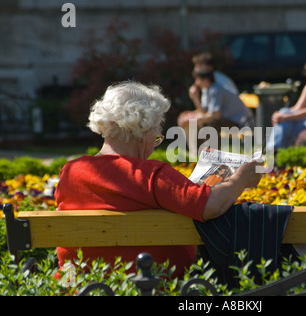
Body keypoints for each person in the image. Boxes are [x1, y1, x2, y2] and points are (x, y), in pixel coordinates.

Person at [54, 81, 263, 278]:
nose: (154, 145)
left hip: (84, 286)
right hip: (151, 285)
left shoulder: (70, 172)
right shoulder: (151, 175)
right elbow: (210, 205)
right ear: (142, 130)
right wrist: (242, 178)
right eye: (155, 137)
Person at [177, 65, 255, 150]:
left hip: (242, 123)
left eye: (197, 80)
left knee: (209, 124)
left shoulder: (216, 89)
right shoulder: (209, 89)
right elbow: (205, 112)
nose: (196, 83)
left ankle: (213, 155)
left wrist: (193, 120)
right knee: (200, 123)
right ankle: (199, 155)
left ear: (206, 80)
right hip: (230, 121)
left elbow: (215, 115)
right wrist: (195, 98)